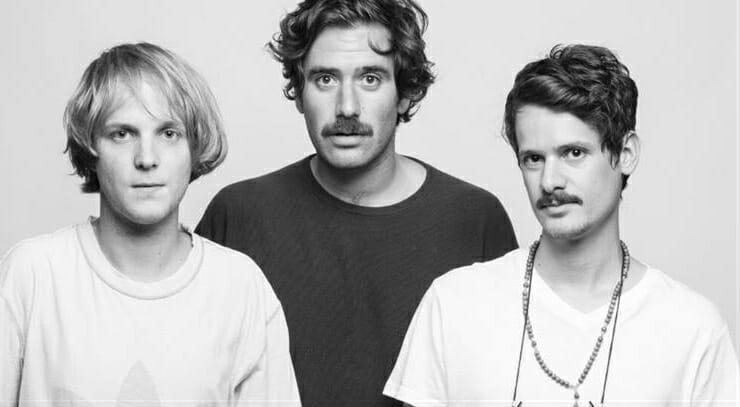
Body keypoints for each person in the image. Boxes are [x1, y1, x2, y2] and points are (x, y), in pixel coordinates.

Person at [195, 0, 517, 405]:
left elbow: (509, 383)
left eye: (370, 78)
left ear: (405, 93)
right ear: (299, 93)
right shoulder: (239, 215)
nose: (346, 107)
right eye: (325, 79)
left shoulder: (475, 221)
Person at [384, 44, 739, 406]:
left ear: (626, 154)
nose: (550, 180)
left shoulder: (692, 328)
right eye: (533, 158)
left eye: (574, 153)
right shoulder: (455, 304)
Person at [0, 43, 300, 405]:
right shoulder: (32, 275)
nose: (146, 158)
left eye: (168, 133)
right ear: (91, 149)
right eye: (122, 134)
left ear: (193, 148)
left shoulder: (240, 288)